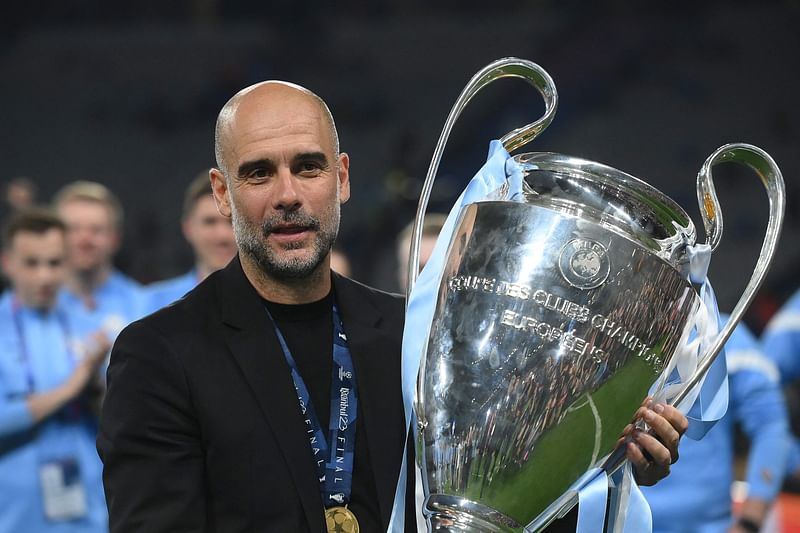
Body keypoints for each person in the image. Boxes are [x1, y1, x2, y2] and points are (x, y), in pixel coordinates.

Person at [97, 80, 688, 533]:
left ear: (343, 177)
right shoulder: (160, 354)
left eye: (309, 166)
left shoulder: (418, 333)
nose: (287, 195)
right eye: (258, 174)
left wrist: (604, 467)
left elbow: (494, 508)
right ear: (223, 192)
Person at [0, 209, 110, 532]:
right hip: (15, 514)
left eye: (54, 263)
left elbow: (114, 420)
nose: (45, 277)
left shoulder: (91, 327)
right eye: (32, 264)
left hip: (87, 507)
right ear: (8, 262)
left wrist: (97, 388)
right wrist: (71, 387)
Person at [641, 317, 789, 533]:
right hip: (620, 520)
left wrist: (749, 523)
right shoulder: (620, 327)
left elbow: (770, 425)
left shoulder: (727, 331)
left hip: (708, 527)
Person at [53, 181, 146, 342]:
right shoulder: (33, 304)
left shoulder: (142, 305)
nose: (85, 240)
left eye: (96, 230)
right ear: (55, 236)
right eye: (74, 229)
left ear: (115, 239)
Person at [144, 170, 236, 312]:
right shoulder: (154, 303)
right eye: (209, 222)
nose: (222, 236)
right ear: (188, 228)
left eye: (232, 222)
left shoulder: (273, 302)